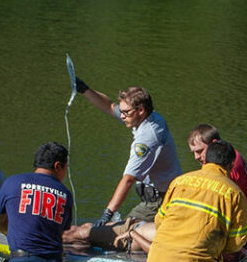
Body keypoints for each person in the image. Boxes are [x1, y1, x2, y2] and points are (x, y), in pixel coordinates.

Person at [74, 78, 182, 225]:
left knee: (117, 233)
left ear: (141, 110)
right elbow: (110, 106)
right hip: (159, 196)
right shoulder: (148, 117)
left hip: (161, 200)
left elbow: (128, 179)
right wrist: (84, 89)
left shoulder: (147, 137)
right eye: (122, 111)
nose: (122, 115)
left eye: (125, 112)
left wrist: (107, 214)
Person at [146, 140, 247, 262]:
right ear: (231, 165)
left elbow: (159, 222)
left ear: (205, 160)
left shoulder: (179, 182)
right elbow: (237, 241)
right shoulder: (234, 193)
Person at [187, 124, 247, 253]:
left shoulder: (229, 168)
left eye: (199, 151)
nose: (196, 157)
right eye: (193, 152)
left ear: (214, 144)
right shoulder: (230, 157)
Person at [0, 142, 74, 262]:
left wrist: (9, 232)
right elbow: (62, 231)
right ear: (58, 166)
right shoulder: (65, 193)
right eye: (66, 167)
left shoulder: (13, 182)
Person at [62, 219, 157, 253]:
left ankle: (48, 237)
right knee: (85, 227)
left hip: (131, 235)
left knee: (72, 233)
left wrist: (132, 234)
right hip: (135, 226)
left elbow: (155, 252)